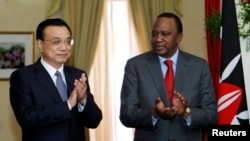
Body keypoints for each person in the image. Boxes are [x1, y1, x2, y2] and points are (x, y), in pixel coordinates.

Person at [119, 12, 218, 141]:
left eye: (165, 34)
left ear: (179, 37)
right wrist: (154, 113)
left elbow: (211, 115)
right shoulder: (136, 66)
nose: (158, 39)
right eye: (154, 34)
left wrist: (185, 112)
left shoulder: (199, 67)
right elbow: (126, 115)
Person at [9, 18, 102, 141]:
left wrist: (83, 100)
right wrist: (68, 105)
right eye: (56, 42)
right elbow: (27, 118)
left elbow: (94, 121)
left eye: (68, 41)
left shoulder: (78, 75)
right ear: (40, 44)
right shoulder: (23, 77)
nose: (64, 48)